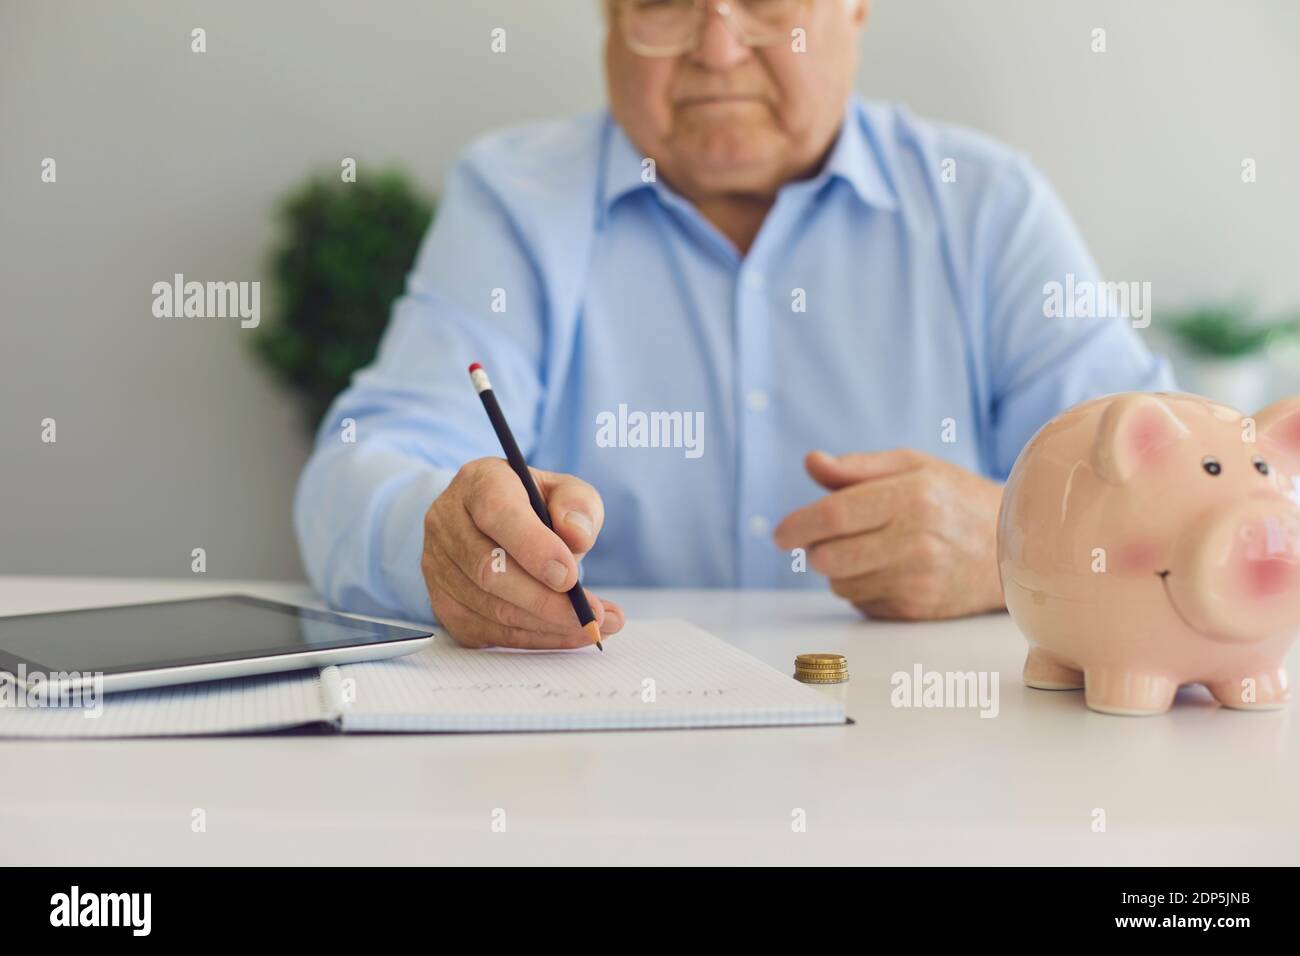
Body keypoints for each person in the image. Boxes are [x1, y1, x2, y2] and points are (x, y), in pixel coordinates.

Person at [295, 0, 1172, 648]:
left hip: (927, 773)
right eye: (665, 6)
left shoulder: (988, 206)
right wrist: (440, 537)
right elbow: (360, 467)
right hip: (593, 766)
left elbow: (1177, 493)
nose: (717, 49)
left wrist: (1006, 545)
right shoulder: (513, 199)